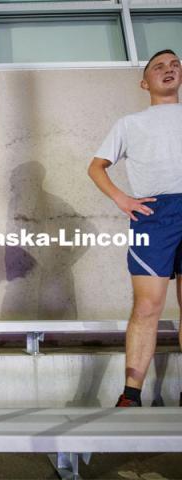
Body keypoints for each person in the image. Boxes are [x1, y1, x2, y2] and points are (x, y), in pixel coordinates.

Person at [88, 49, 182, 407]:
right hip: (154, 215)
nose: (169, 69)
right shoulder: (130, 123)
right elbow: (96, 167)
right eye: (159, 66)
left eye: (175, 65)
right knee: (147, 306)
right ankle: (131, 394)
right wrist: (122, 199)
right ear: (145, 83)